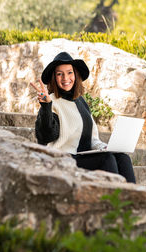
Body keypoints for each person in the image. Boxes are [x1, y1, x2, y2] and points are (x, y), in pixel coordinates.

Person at [30, 51, 136, 183]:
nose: (65, 78)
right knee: (106, 159)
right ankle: (111, 202)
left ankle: (133, 202)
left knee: (122, 158)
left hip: (82, 157)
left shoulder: (81, 102)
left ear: (75, 75)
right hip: (60, 159)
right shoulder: (52, 102)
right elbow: (46, 136)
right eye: (59, 74)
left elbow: (92, 139)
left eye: (69, 72)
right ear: (54, 78)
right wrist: (46, 107)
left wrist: (103, 148)